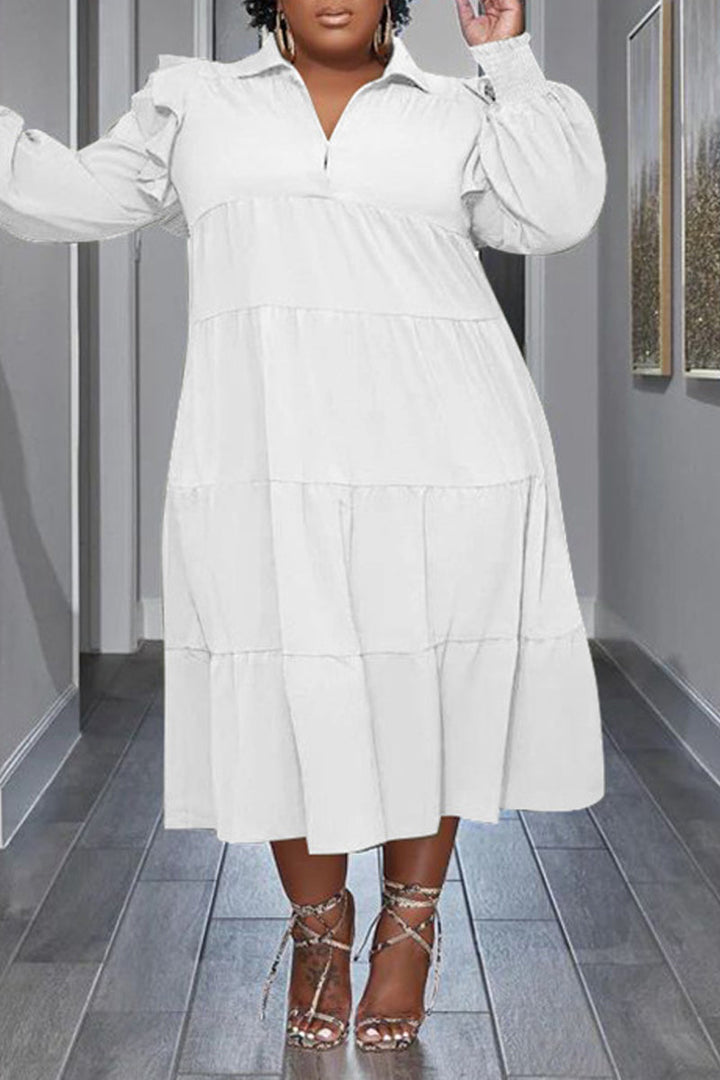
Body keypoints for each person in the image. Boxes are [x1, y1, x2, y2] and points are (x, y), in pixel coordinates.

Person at [0, 0, 607, 1056]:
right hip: (266, 460)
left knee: (428, 684)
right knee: (283, 685)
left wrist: (506, 57)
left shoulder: (457, 110)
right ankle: (320, 929)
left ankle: (409, 928)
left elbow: (556, 214)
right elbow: (60, 196)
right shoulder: (194, 103)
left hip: (449, 455)